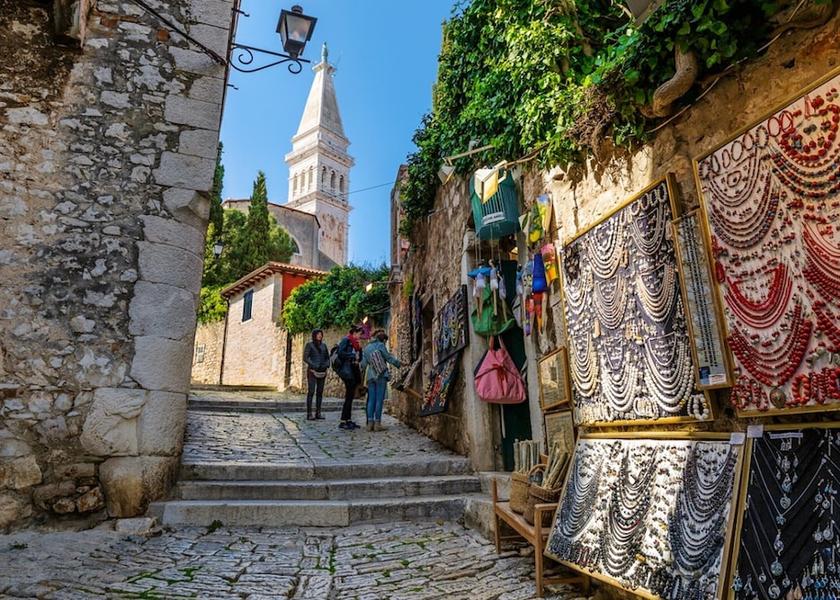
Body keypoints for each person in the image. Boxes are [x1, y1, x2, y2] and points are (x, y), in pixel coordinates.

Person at [360, 330, 402, 432]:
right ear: (383, 340)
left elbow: (363, 365)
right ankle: (377, 423)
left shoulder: (366, 348)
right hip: (381, 376)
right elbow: (388, 358)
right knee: (379, 400)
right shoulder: (380, 345)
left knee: (371, 400)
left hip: (370, 376)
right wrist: (399, 364)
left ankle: (370, 424)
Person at [336, 325, 362, 430]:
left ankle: (348, 419)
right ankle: (343, 420)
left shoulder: (356, 344)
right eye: (359, 334)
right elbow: (340, 353)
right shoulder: (346, 340)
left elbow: (359, 357)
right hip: (347, 372)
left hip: (353, 371)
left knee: (350, 397)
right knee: (348, 397)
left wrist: (359, 352)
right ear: (354, 333)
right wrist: (352, 356)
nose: (360, 336)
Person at [302, 329, 330, 421]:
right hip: (312, 371)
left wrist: (326, 365)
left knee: (320, 392)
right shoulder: (309, 345)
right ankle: (309, 413)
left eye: (321, 334)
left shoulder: (324, 346)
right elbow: (305, 357)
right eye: (318, 334)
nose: (320, 336)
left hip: (322, 371)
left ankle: (318, 413)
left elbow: (327, 357)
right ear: (314, 335)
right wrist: (313, 365)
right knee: (311, 392)